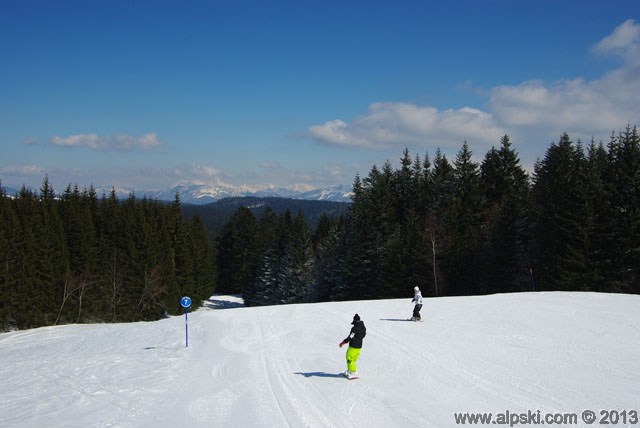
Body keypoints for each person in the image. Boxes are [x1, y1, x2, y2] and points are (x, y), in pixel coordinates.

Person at [338, 313, 366, 378]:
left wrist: (343, 342)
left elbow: (350, 337)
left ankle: (353, 372)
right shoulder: (363, 327)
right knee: (353, 359)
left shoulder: (354, 328)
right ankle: (352, 370)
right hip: (359, 347)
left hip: (353, 346)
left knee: (349, 358)